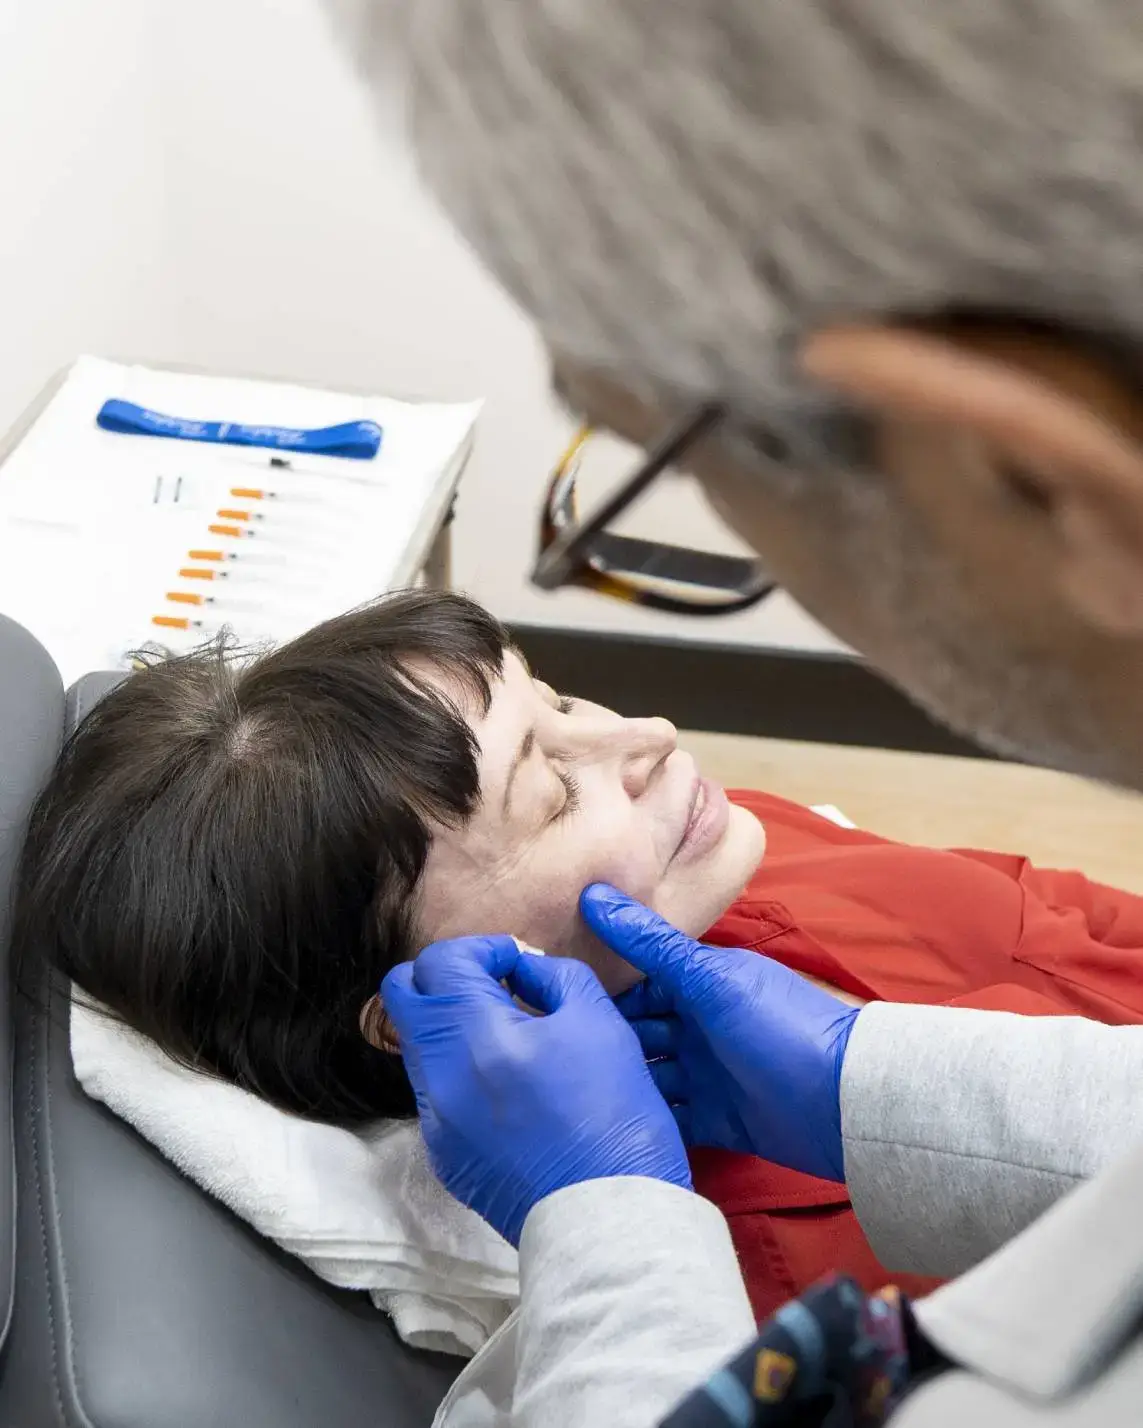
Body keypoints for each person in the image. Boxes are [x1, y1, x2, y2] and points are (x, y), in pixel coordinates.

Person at [316, 1, 1143, 1423]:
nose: (642, 736)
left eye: (659, 458)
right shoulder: (788, 1254)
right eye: (543, 785)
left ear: (1041, 485)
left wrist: (605, 1223)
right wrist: (876, 1092)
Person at [17, 585, 1143, 1338]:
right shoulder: (786, 1288)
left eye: (553, 696)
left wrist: (874, 1082)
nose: (647, 735)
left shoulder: (718, 856)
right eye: (552, 789)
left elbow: (1083, 922)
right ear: (426, 1005)